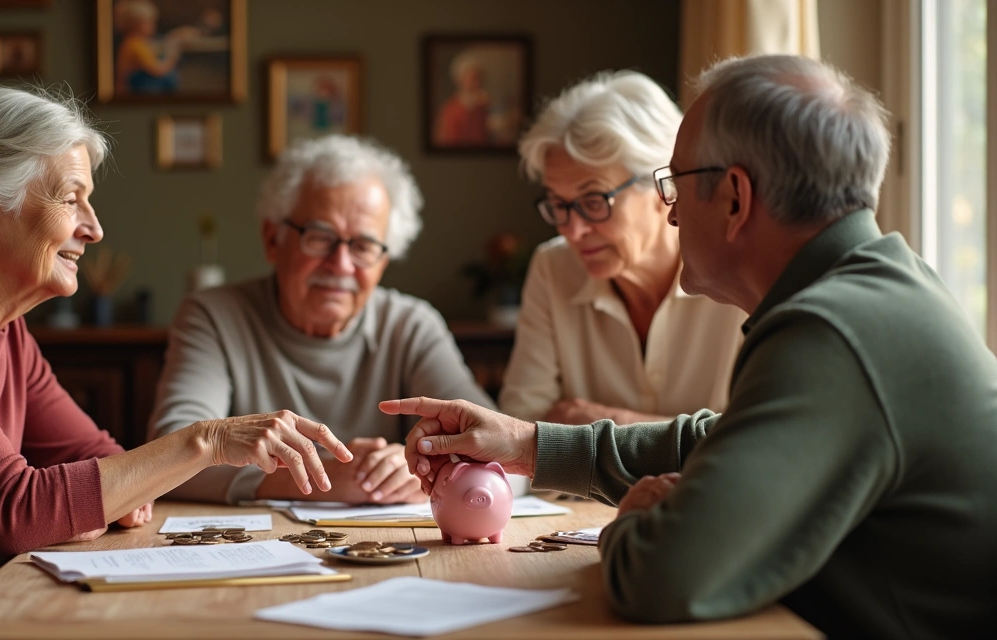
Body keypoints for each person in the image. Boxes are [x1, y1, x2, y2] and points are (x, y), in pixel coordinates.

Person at [381, 55, 997, 638]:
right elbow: (728, 437)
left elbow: (661, 580)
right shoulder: (880, 285)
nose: (671, 215)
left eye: (674, 185)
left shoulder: (833, 331)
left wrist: (635, 521)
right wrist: (530, 445)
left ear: (734, 197)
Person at [0, 87, 351, 640]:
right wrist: (206, 442)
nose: (94, 227)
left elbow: (100, 460)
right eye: (70, 197)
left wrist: (93, 496)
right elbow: (14, 513)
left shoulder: (7, 331)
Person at [149, 135, 494, 506]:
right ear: (272, 239)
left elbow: (501, 451)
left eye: (363, 247)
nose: (341, 265)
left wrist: (424, 468)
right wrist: (325, 477)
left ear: (383, 261)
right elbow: (169, 457)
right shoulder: (213, 316)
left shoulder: (412, 326)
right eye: (320, 237)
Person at [502, 71, 746, 426]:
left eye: (594, 200)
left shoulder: (739, 274)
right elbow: (519, 431)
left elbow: (752, 444)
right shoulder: (553, 268)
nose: (573, 229)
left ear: (665, 187)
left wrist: (608, 425)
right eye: (559, 204)